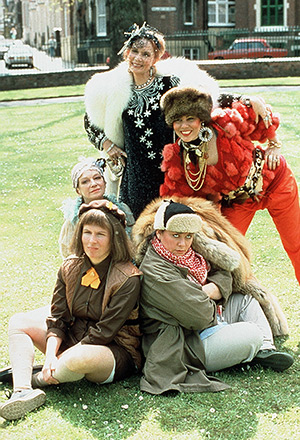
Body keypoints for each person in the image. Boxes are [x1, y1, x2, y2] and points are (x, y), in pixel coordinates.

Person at [84, 22, 270, 219]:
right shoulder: (115, 89)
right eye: (135, 51)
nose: (138, 58)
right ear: (127, 53)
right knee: (139, 233)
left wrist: (246, 100)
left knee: (174, 227)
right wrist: (107, 145)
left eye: (146, 54)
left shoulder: (170, 84)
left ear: (156, 58)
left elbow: (204, 98)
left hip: (171, 172)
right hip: (135, 178)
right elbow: (90, 119)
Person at [133, 200, 293, 395]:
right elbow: (199, 316)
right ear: (159, 233)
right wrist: (208, 296)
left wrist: (210, 289)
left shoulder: (191, 254)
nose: (182, 243)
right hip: (185, 346)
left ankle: (265, 350)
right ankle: (254, 345)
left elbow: (225, 273)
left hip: (207, 322)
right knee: (252, 333)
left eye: (188, 236)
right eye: (175, 236)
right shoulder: (154, 270)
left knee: (245, 301)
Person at [0, 202, 142, 421]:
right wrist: (49, 356)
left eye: (100, 234)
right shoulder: (70, 266)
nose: (92, 240)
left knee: (78, 358)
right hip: (73, 338)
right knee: (19, 321)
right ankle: (22, 390)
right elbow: (58, 318)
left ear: (114, 238)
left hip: (110, 349)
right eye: (87, 232)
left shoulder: (129, 277)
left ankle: (37, 379)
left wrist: (61, 358)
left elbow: (105, 332)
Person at [159, 87, 300, 284]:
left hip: (276, 182)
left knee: (296, 244)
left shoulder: (225, 124)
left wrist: (274, 145)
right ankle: (244, 301)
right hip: (238, 202)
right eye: (178, 120)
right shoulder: (177, 157)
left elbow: (263, 117)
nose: (184, 126)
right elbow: (176, 198)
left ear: (201, 119)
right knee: (227, 255)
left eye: (190, 118)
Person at [59, 156, 135, 258]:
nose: (93, 184)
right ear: (78, 190)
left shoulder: (123, 209)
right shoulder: (73, 219)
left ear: (105, 182)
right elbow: (69, 253)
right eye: (85, 181)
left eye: (97, 178)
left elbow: (133, 244)